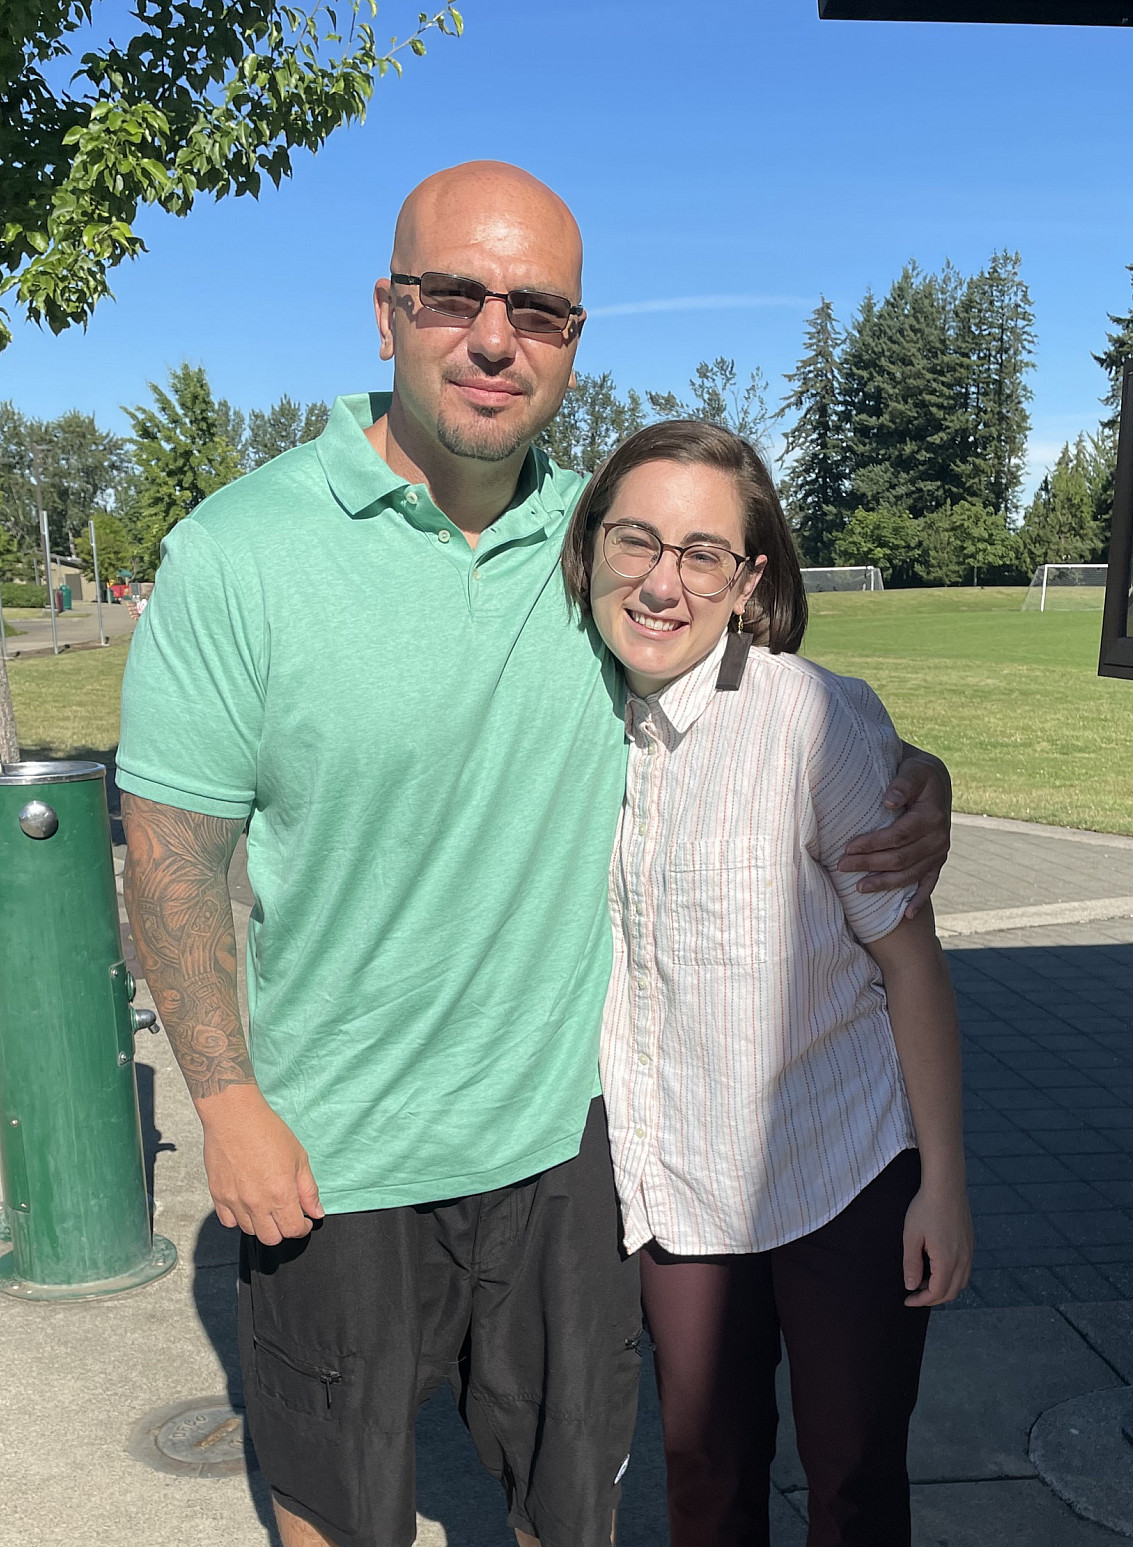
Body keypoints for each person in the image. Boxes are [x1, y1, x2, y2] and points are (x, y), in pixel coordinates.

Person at [117, 162, 954, 1547]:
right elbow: (171, 853)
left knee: (574, 1507)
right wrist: (223, 1097)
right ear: (387, 310)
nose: (494, 336)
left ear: (573, 339)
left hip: (563, 1148)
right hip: (337, 1143)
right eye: (455, 295)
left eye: (540, 310)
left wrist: (921, 774)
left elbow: (763, 695)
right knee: (339, 1502)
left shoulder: (593, 552)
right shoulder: (238, 550)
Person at [560, 419, 974, 1547]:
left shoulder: (808, 717)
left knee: (850, 1477)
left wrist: (942, 1179)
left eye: (701, 553)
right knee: (702, 1470)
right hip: (681, 1184)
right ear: (590, 544)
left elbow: (907, 956)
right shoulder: (565, 712)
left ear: (748, 580)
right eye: (636, 539)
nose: (660, 580)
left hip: (840, 1166)